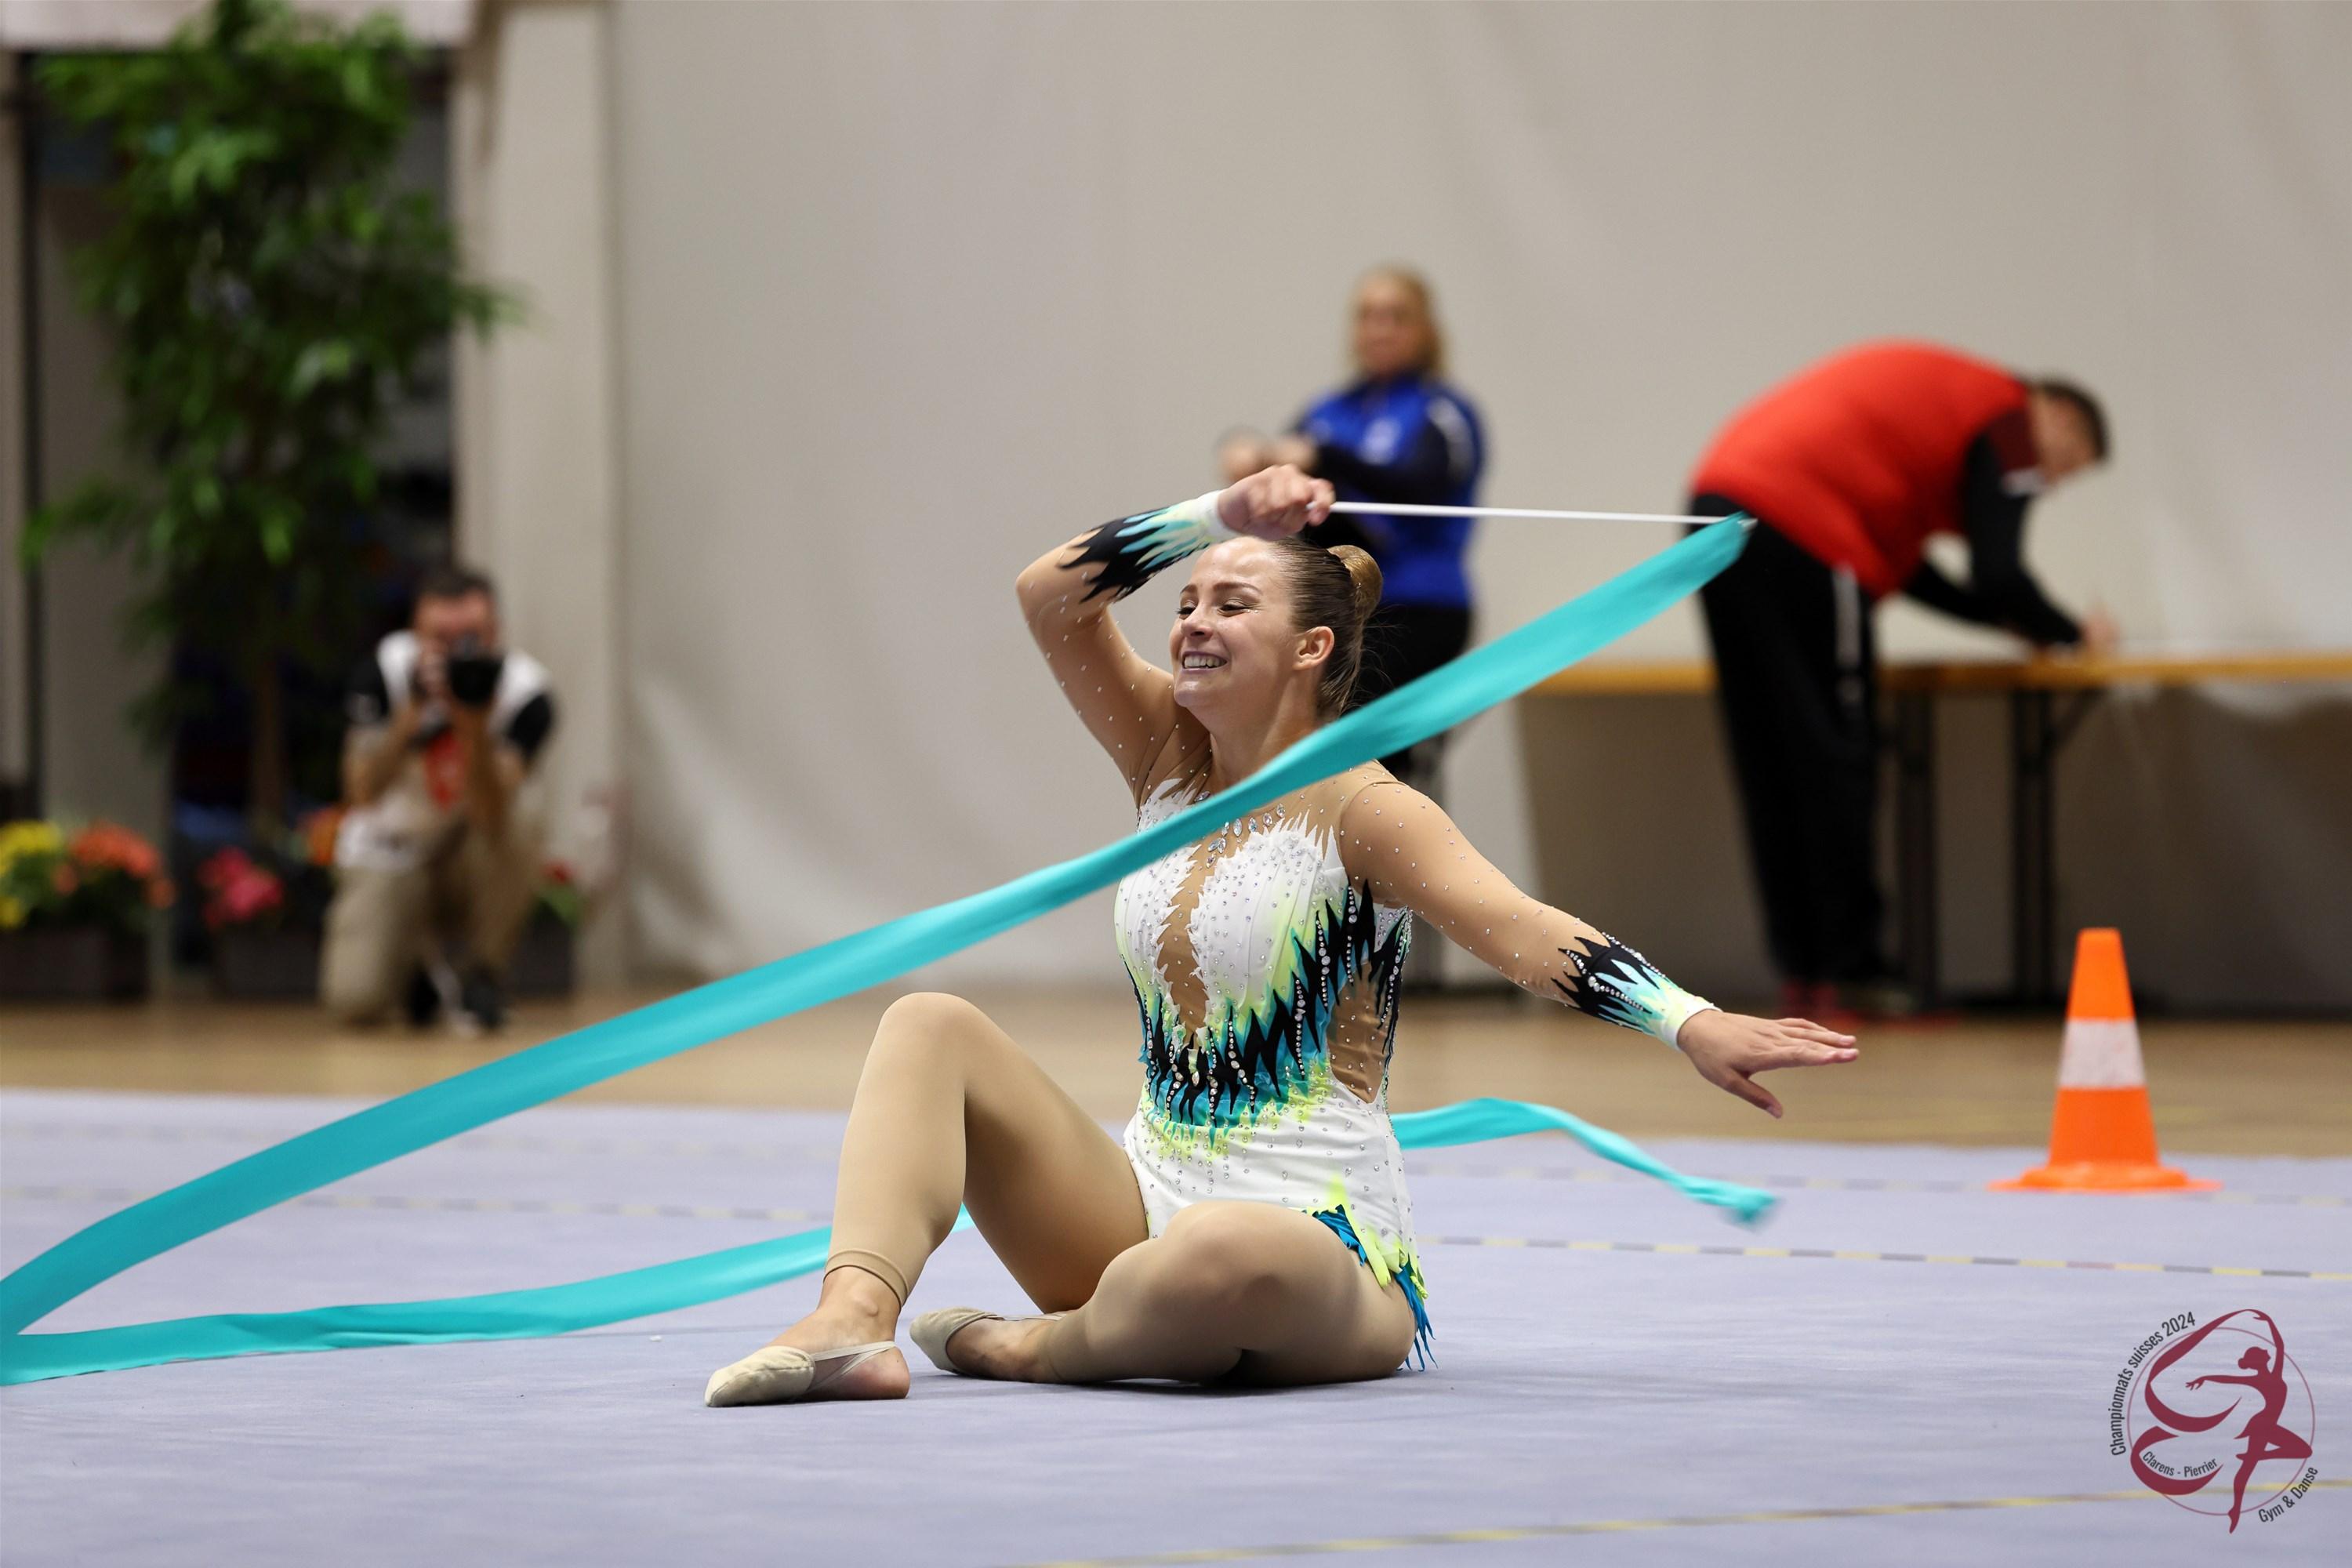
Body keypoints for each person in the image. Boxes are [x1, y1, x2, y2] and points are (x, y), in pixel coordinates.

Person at [701, 465, 1857, 1408]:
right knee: (928, 1024)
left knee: (1218, 1257)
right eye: (1187, 603)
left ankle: (1035, 1347)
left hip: (1317, 1247)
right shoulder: (1165, 758)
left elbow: (1522, 931)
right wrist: (1219, 515)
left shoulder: (1368, 808)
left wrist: (1688, 1020)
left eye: (1231, 603)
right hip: (1135, 1211)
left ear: (1311, 649)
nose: (1193, 623)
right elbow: (1050, 595)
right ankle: (854, 1321)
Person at [1686, 341, 2113, 1015]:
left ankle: (1805, 970)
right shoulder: (2009, 415)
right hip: (1798, 528)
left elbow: (1914, 573)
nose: (2050, 482)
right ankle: (1853, 970)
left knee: (1772, 757)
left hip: (1720, 512)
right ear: (2056, 412)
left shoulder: (1933, 429)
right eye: (2067, 462)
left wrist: (2015, 623)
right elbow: (2000, 573)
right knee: (1836, 761)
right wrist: (2071, 634)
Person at [1220, 267, 1484, 789]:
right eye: (1368, 317)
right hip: (1341, 610)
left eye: (1396, 317)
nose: (1380, 329)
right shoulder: (1330, 410)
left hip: (1417, 609)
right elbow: (1284, 468)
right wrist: (1249, 455)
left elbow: (1421, 485)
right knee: (1312, 756)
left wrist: (1325, 458)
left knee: (1380, 767)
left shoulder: (1443, 411)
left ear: (1426, 330)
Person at [321, 566, 557, 1032]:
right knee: (355, 1000)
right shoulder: (384, 674)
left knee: (525, 816)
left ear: (495, 634)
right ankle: (416, 965)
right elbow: (360, 793)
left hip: (467, 854)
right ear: (415, 632)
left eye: (469, 638)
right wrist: (409, 717)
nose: (454, 653)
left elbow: (493, 813)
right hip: (392, 851)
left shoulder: (526, 695)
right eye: (440, 639)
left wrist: (474, 728)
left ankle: (482, 973)